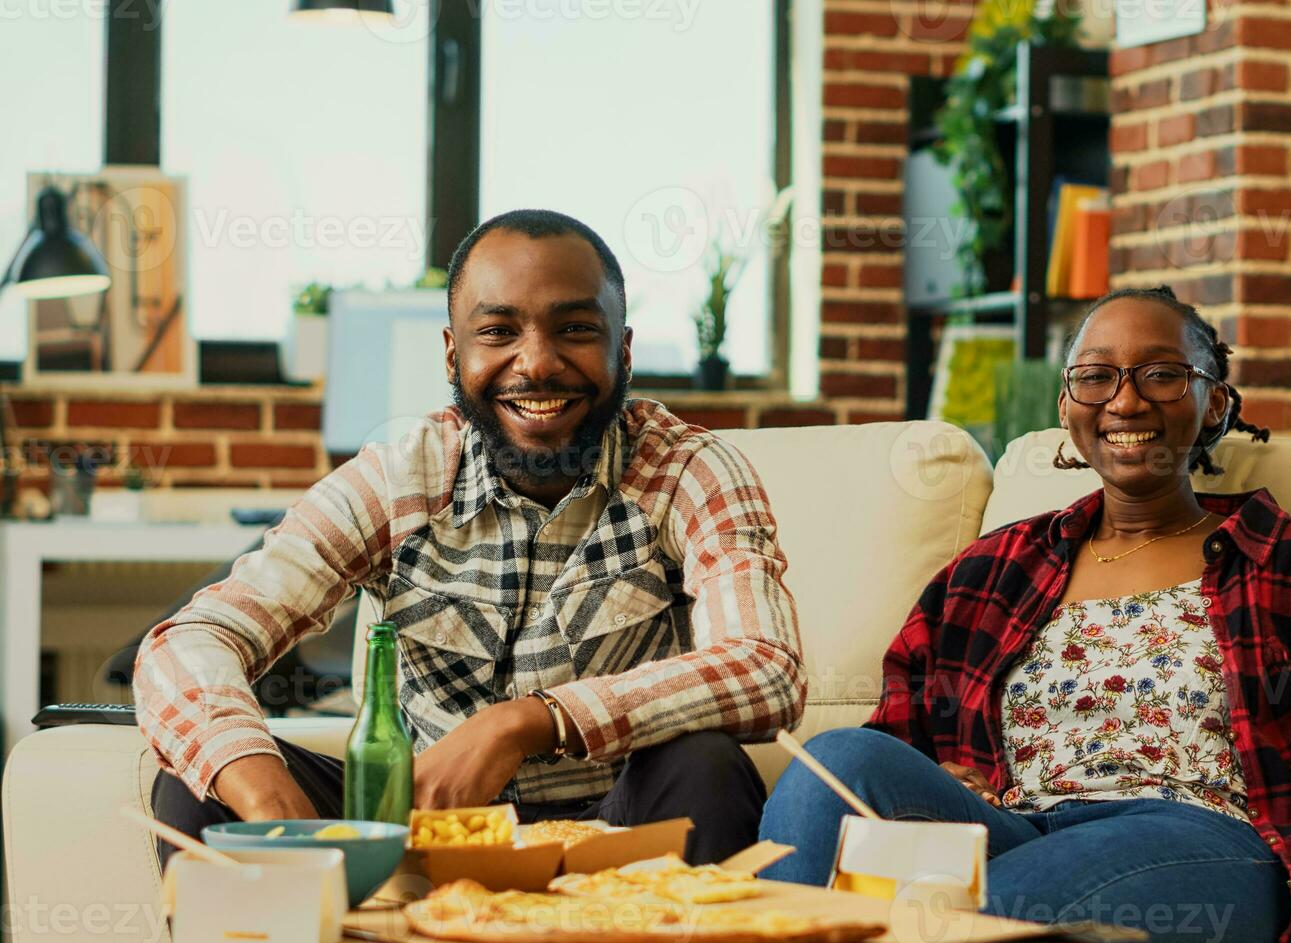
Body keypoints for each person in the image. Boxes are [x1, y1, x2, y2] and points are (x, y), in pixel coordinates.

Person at [759, 286, 1291, 943]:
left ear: (1215, 403)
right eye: (1097, 377)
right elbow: (902, 731)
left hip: (1200, 840)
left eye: (1161, 373)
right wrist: (953, 773)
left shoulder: (1290, 559)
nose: (1125, 400)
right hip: (1017, 822)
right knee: (833, 761)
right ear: (1068, 405)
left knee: (993, 922)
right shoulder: (995, 570)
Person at [138, 209, 804, 865]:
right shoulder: (400, 478)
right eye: (499, 330)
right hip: (416, 833)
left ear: (622, 351)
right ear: (454, 353)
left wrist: (527, 722)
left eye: (574, 328)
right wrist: (267, 798)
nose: (538, 362)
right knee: (204, 781)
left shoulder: (690, 469)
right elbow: (193, 640)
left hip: (616, 836)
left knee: (705, 765)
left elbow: (766, 666)